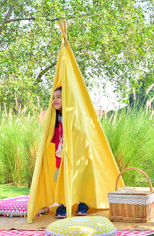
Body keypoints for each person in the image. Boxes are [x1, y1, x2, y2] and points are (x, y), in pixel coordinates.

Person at [51, 86, 89, 219]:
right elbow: (52, 137)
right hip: (60, 156)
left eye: (58, 97)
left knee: (77, 178)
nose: (54, 100)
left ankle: (83, 202)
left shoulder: (73, 115)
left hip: (75, 155)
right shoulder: (54, 118)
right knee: (60, 180)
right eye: (53, 98)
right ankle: (63, 204)